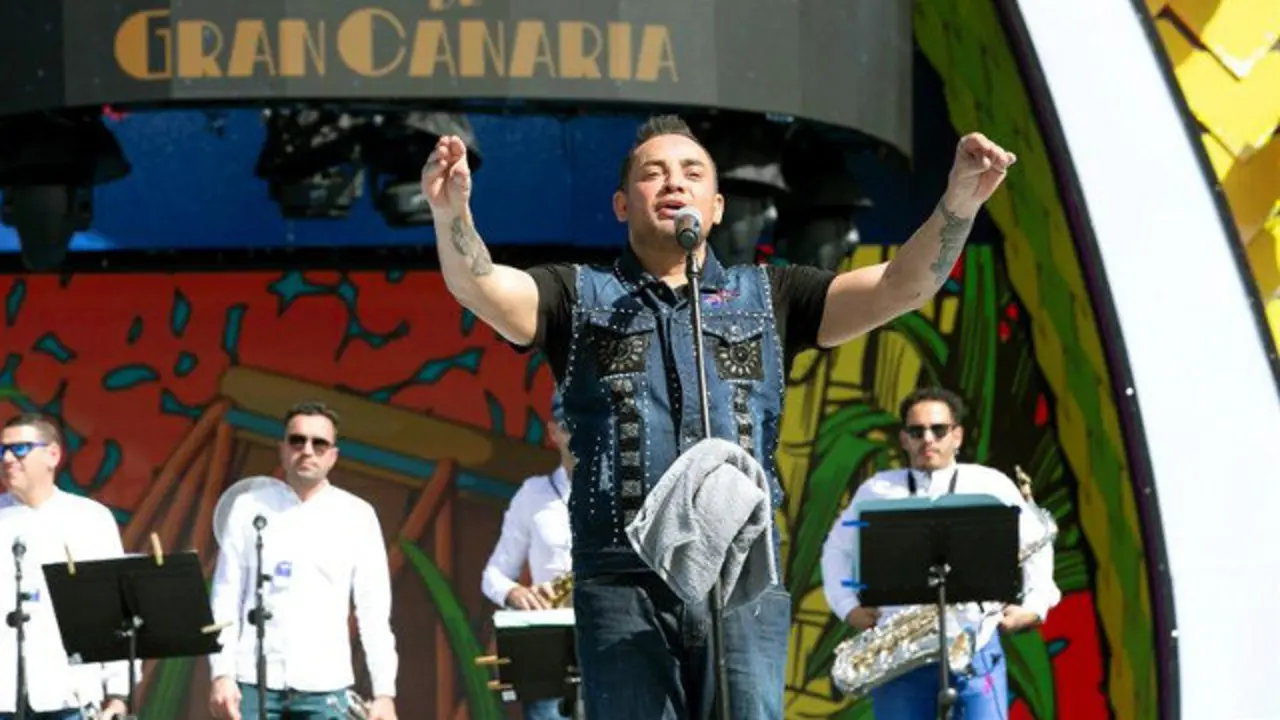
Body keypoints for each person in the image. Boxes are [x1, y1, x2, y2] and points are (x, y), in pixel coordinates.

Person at [422, 113, 1017, 719]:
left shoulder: (771, 297)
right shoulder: (577, 296)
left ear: (717, 206)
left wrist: (958, 205)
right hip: (622, 580)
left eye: (691, 173)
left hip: (742, 579)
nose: (673, 183)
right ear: (623, 204)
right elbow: (483, 286)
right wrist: (452, 217)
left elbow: (899, 288)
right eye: (653, 174)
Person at [820, 387, 1062, 719]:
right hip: (901, 656)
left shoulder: (991, 484)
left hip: (976, 645)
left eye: (939, 429)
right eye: (916, 431)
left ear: (957, 435)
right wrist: (848, 608)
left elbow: (1037, 544)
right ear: (904, 439)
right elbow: (835, 549)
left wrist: (1033, 607)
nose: (928, 439)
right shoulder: (877, 490)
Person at [207, 401, 398, 720]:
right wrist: (221, 673)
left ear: (333, 456)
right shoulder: (248, 507)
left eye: (319, 443)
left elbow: (374, 611)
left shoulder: (357, 515)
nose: (307, 450)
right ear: (282, 450)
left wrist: (384, 693)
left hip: (325, 685)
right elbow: (225, 597)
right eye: (297, 440)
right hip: (253, 683)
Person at [0, 413, 131, 720]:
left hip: (68, 693)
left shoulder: (90, 519)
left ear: (53, 455)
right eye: (2, 449)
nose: (7, 458)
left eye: (19, 449)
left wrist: (118, 694)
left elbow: (113, 611)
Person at [480, 391, 575, 720]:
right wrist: (515, 593)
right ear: (553, 432)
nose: (576, 433)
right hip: (548, 648)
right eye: (567, 425)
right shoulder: (533, 493)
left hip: (608, 636)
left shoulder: (619, 493)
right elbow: (493, 576)